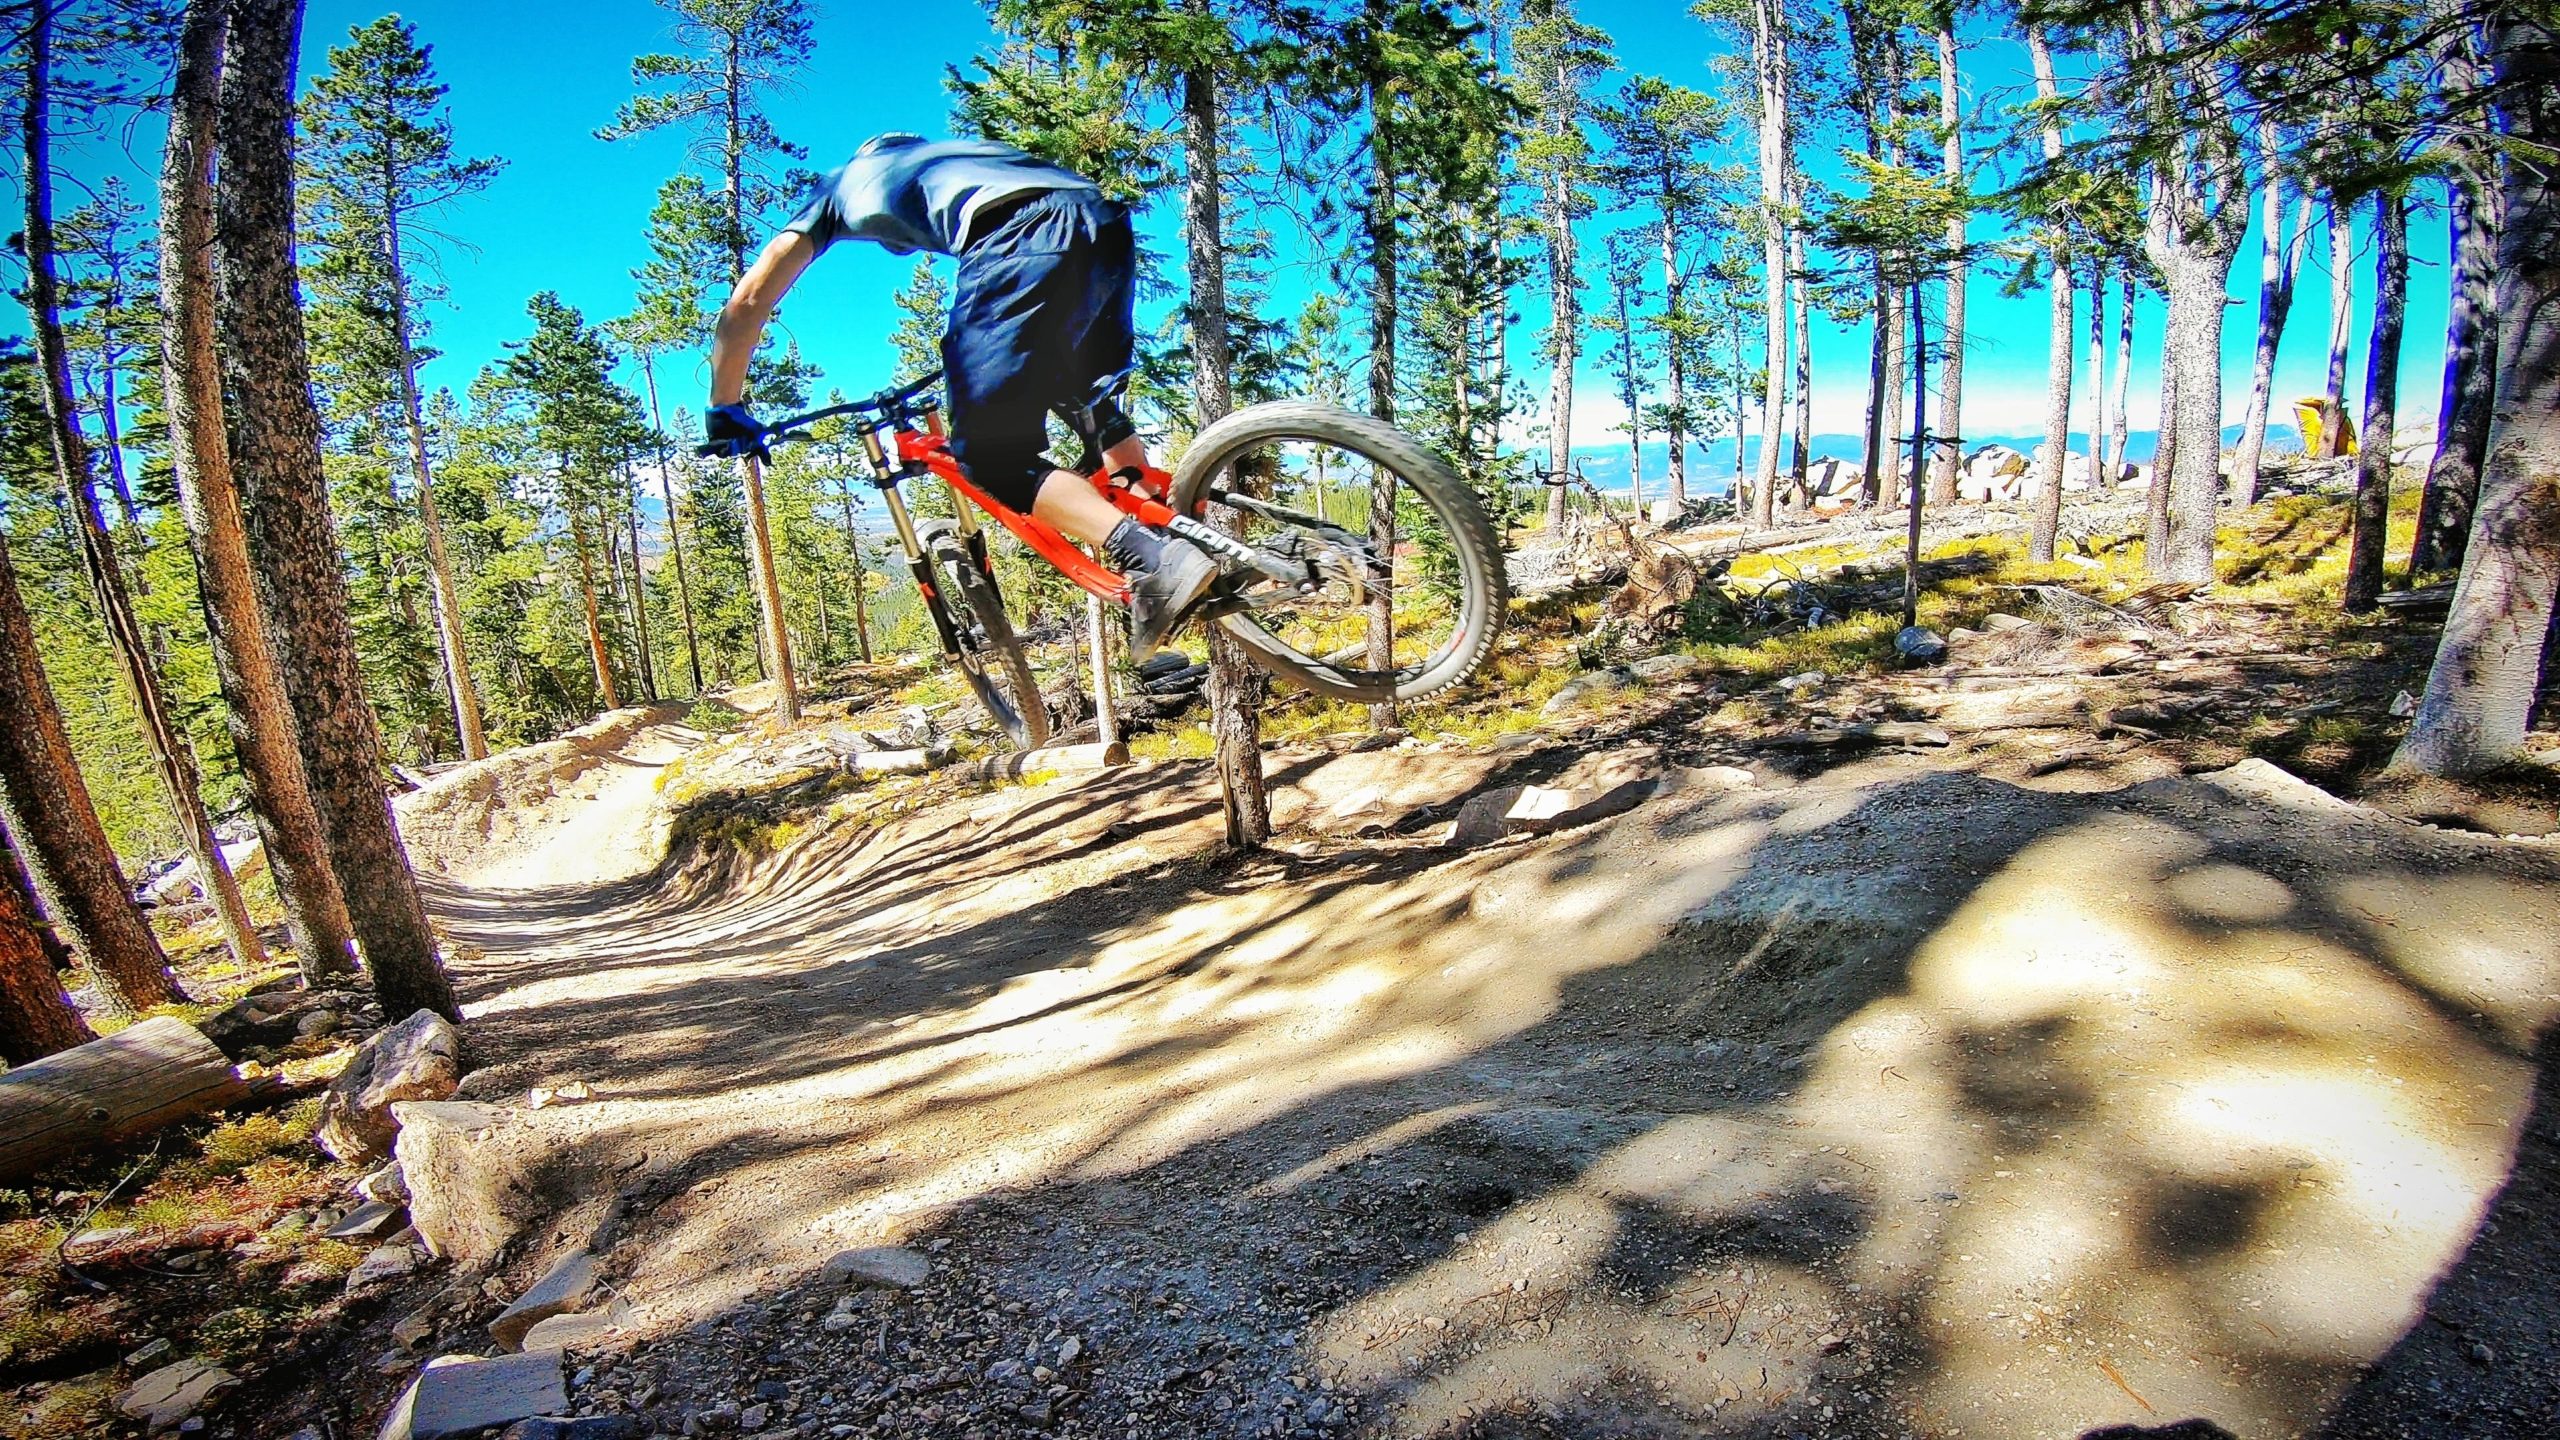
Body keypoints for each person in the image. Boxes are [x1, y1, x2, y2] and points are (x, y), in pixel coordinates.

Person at [700, 133, 1218, 659]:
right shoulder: (965, 157)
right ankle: (1178, 530)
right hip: (1104, 225)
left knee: (992, 458)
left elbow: (748, 300)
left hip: (1020, 238)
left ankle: (1151, 559)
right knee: (1085, 394)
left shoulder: (838, 188)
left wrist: (725, 407)